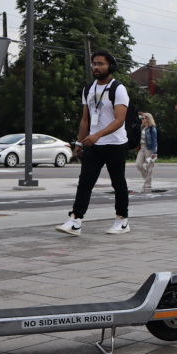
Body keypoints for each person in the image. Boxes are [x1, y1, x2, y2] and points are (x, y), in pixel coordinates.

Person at [56, 50, 130, 236]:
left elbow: (119, 120)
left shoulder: (118, 88)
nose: (96, 67)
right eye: (94, 64)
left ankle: (122, 221)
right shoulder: (88, 89)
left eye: (100, 64)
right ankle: (75, 220)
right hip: (93, 145)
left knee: (118, 183)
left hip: (115, 143)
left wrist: (98, 135)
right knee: (85, 183)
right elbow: (85, 120)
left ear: (110, 66)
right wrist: (79, 142)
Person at [135, 112, 158, 194]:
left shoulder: (152, 129)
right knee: (138, 164)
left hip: (149, 149)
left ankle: (148, 183)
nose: (142, 119)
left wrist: (154, 152)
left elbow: (154, 141)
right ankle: (147, 179)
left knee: (149, 166)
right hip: (142, 148)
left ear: (147, 119)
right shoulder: (142, 128)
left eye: (143, 118)